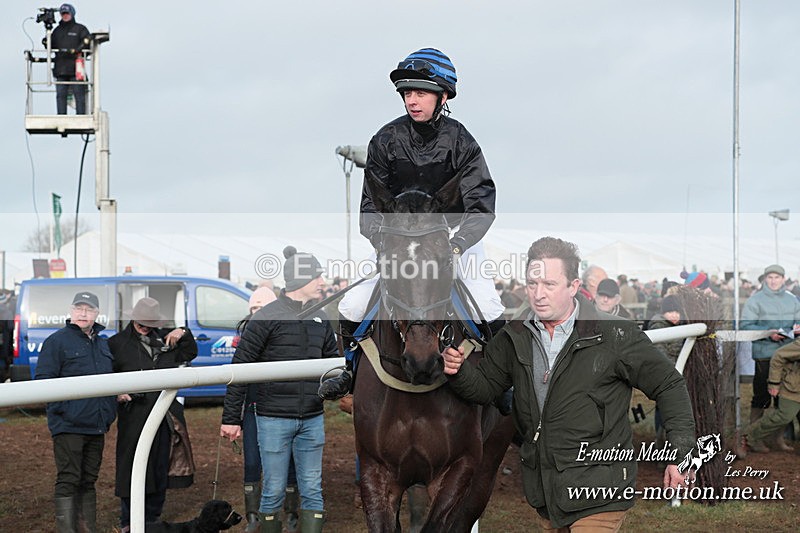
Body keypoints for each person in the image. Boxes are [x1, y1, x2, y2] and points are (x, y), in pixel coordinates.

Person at [442, 237, 695, 531]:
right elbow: (485, 387)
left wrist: (681, 452)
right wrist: (458, 370)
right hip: (547, 491)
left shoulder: (615, 334)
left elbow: (668, 384)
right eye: (532, 284)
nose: (538, 294)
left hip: (601, 490)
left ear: (573, 287)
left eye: (549, 284)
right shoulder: (514, 337)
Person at [319, 47, 505, 400]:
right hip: (398, 241)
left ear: (443, 95)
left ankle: (501, 382)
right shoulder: (385, 140)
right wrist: (385, 242)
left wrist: (457, 244)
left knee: (489, 308)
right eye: (407, 93)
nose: (411, 100)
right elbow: (370, 206)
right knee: (351, 306)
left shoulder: (462, 141)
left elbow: (481, 204)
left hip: (453, 240)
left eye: (420, 93)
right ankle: (348, 370)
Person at [221, 246, 337, 532]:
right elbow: (240, 370)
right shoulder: (265, 318)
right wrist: (231, 418)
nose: (322, 282)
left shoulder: (322, 319)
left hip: (313, 418)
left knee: (312, 487)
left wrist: (339, 388)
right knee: (272, 488)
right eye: (317, 277)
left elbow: (334, 365)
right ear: (300, 281)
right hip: (272, 419)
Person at [109, 297, 198, 532]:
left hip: (165, 414)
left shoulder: (167, 339)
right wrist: (118, 392)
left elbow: (191, 351)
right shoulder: (117, 343)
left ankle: (153, 519)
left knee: (160, 465)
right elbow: (108, 374)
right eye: (141, 323)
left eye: (149, 323)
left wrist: (183, 331)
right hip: (134, 415)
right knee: (131, 466)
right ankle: (129, 520)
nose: (145, 327)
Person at [35, 291, 117, 533]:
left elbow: (111, 380)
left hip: (98, 424)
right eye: (79, 308)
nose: (83, 313)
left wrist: (111, 405)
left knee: (89, 480)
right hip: (69, 425)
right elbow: (43, 381)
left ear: (97, 314)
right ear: (71, 311)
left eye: (89, 309)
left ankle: (86, 529)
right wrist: (65, 412)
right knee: (69, 479)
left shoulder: (103, 344)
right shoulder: (56, 341)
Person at [234, 287, 300, 533]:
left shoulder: (287, 332)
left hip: (285, 408)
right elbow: (237, 378)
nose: (257, 314)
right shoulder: (246, 336)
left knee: (290, 463)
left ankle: (291, 516)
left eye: (262, 309)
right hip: (254, 408)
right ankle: (254, 518)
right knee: (252, 462)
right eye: (253, 309)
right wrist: (232, 418)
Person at [740, 264, 800, 452]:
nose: (773, 281)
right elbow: (746, 326)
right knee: (761, 396)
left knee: (784, 399)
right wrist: (768, 333)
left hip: (788, 356)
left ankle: (777, 438)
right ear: (765, 279)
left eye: (777, 277)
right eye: (770, 277)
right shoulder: (755, 301)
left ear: (783, 279)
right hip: (765, 354)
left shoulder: (793, 300)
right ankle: (752, 439)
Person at [744, 337, 800, 453]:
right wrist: (774, 383)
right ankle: (746, 437)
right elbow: (779, 356)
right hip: (794, 387)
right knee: (784, 415)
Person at [50, 4, 90, 115]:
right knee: (60, 95)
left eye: (67, 13)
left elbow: (88, 42)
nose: (65, 16)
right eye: (63, 14)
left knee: (79, 94)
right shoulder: (57, 31)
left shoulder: (80, 29)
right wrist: (46, 40)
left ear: (72, 14)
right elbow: (51, 45)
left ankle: (81, 117)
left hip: (76, 68)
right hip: (60, 69)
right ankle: (61, 119)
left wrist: (76, 50)